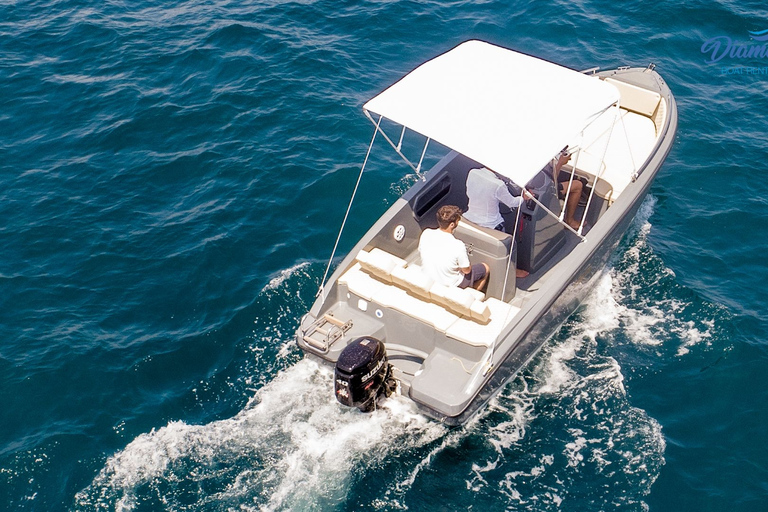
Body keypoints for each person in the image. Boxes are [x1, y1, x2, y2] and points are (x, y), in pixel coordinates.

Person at [464, 166, 532, 278]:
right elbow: (512, 203)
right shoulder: (498, 185)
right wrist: (524, 197)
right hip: (491, 224)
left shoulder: (472, 172)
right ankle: (512, 270)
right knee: (509, 244)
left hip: (470, 217)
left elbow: (470, 192)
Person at [418, 205, 490, 292]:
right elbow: (466, 270)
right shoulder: (458, 245)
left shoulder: (426, 233)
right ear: (452, 224)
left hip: (429, 277)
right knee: (485, 268)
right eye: (457, 220)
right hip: (451, 283)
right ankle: (471, 294)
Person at [544, 149, 584, 231]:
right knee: (577, 185)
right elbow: (551, 182)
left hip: (539, 187)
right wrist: (560, 163)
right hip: (544, 191)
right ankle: (569, 221)